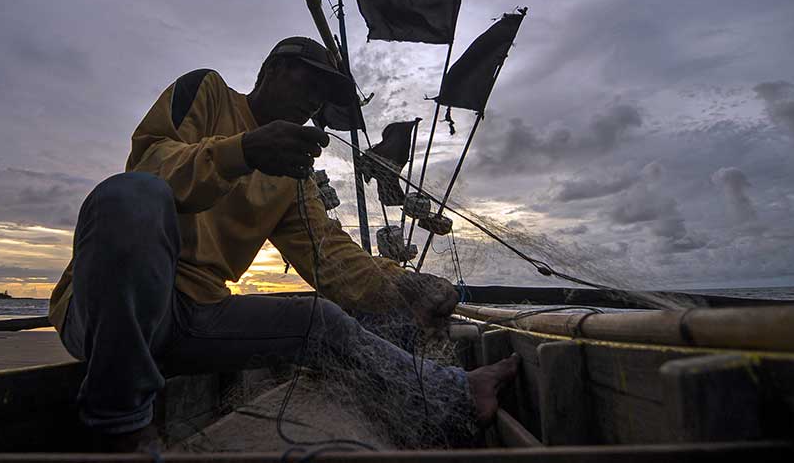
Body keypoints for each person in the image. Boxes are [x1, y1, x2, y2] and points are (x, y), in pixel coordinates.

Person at [48, 36, 518, 450]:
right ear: (271, 71)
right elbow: (151, 167)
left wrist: (402, 286)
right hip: (104, 314)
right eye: (306, 83)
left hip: (196, 317)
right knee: (129, 194)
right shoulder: (207, 91)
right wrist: (244, 152)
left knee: (318, 318)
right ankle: (122, 425)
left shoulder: (294, 176)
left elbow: (329, 256)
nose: (312, 101)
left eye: (322, 96)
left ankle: (455, 390)